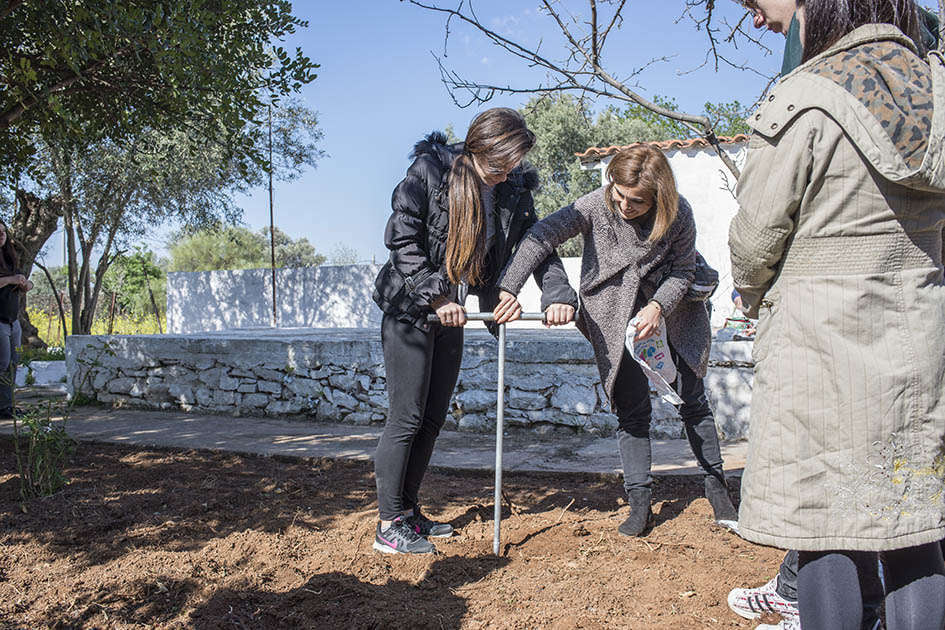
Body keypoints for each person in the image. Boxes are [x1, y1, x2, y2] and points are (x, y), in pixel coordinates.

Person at [729, 1, 945, 629]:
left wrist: (752, 292)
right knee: (916, 528)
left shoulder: (808, 97)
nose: (756, 15)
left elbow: (755, 237)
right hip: (922, 334)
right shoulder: (935, 87)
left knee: (826, 525)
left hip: (820, 348)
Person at [496, 144, 739, 537]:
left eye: (637, 201)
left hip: (673, 316)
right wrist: (510, 287)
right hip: (612, 317)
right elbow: (541, 235)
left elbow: (682, 270)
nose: (625, 205)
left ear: (658, 195)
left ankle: (717, 490)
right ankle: (639, 502)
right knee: (631, 410)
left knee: (692, 402)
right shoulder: (595, 204)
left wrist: (658, 307)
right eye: (619, 194)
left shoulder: (679, 213)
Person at [371, 108, 577, 555]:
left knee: (432, 419)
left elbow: (535, 246)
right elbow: (402, 240)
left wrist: (555, 294)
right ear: (476, 149)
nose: (504, 177)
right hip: (412, 310)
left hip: (455, 313)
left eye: (512, 168)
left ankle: (408, 512)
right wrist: (436, 297)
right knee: (407, 417)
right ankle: (388, 525)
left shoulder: (513, 190)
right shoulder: (429, 171)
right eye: (496, 168)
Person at [0, 220, 30, 419]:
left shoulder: (10, 258)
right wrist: (11, 280)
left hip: (14, 324)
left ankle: (9, 404)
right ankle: (2, 406)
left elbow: (25, 280)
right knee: (2, 363)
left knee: (15, 360)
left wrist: (26, 284)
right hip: (0, 323)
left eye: (2, 231)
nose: (0, 235)